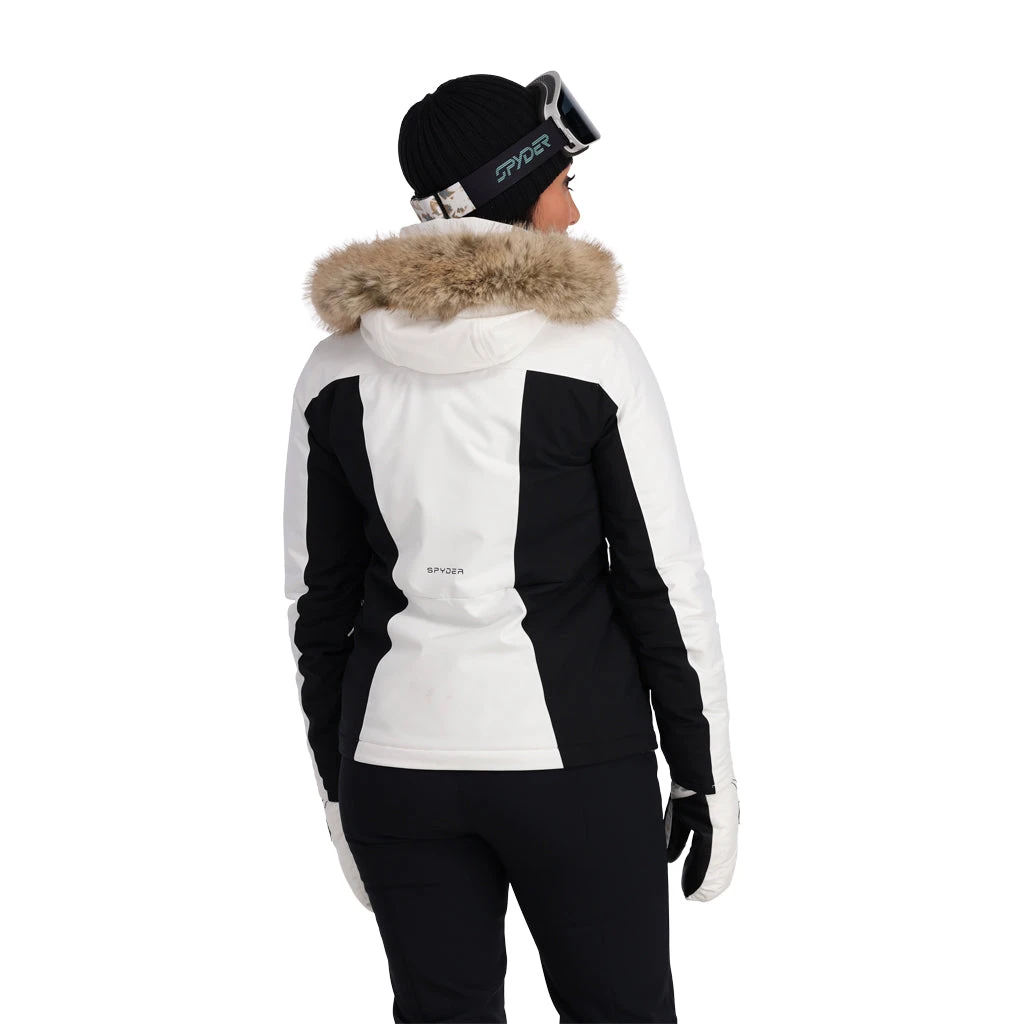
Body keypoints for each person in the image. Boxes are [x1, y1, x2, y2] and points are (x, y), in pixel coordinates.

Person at [283, 71, 740, 1024]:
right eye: (565, 185)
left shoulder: (334, 371)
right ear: (519, 186)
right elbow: (662, 585)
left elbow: (318, 607)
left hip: (395, 769)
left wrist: (338, 790)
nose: (573, 216)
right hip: (577, 764)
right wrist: (704, 773)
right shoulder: (594, 354)